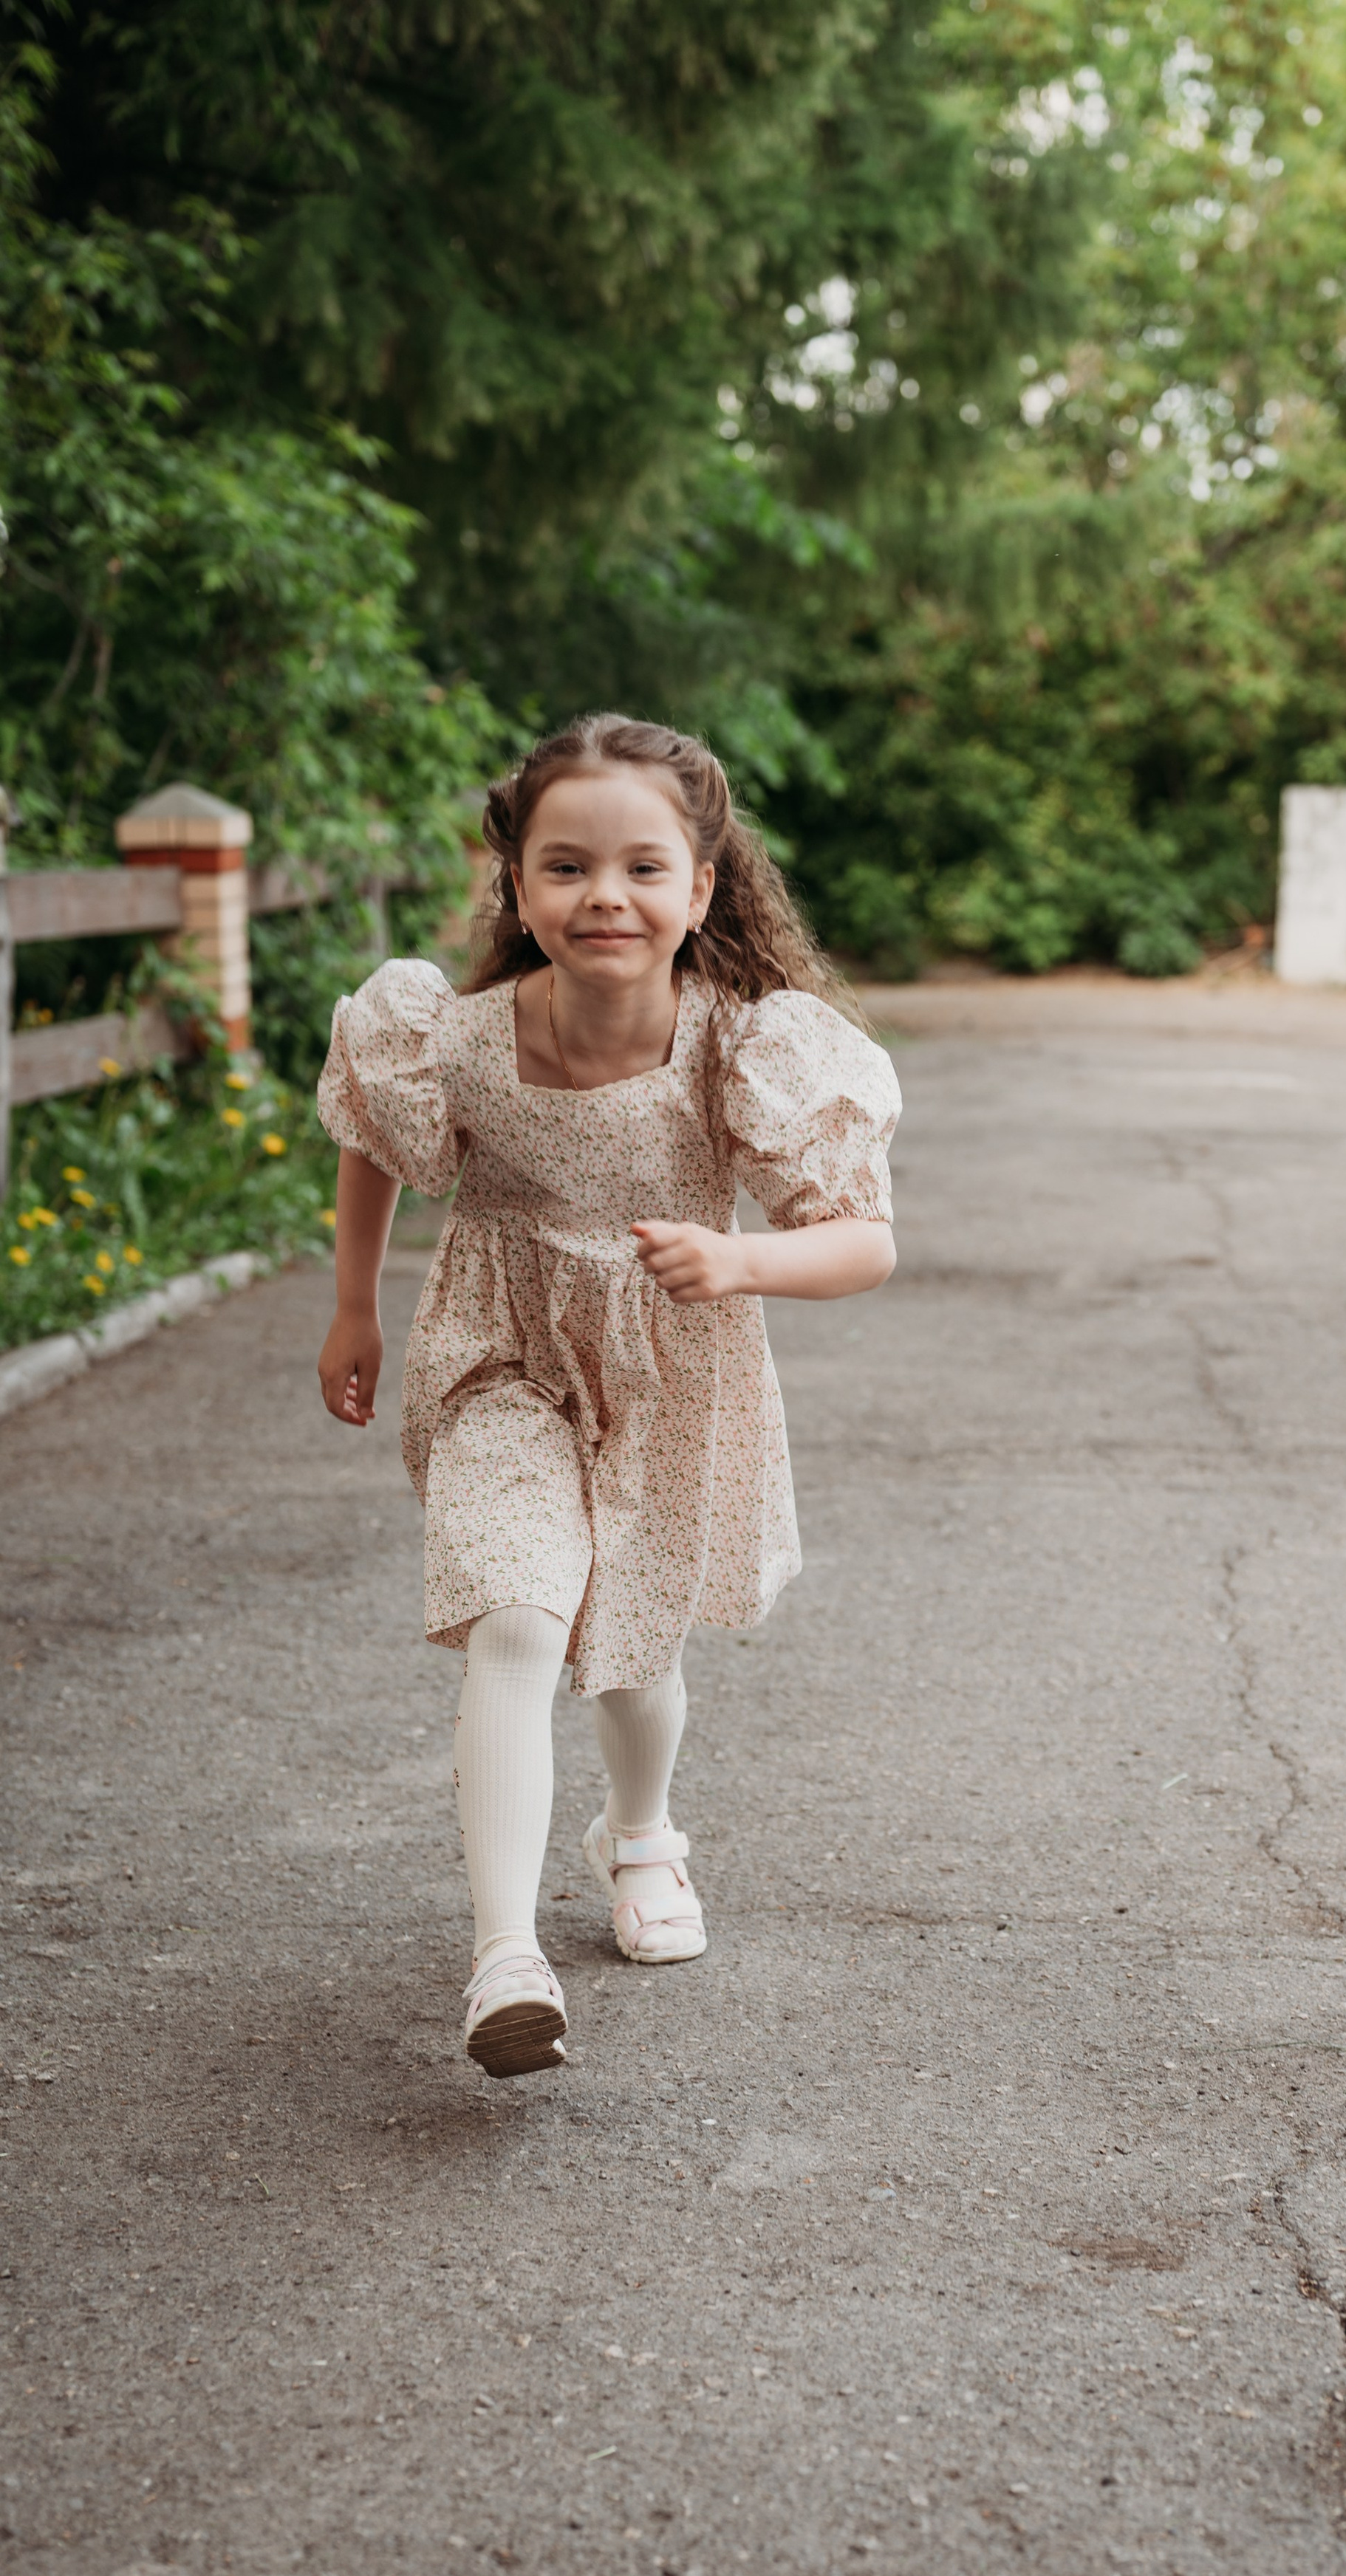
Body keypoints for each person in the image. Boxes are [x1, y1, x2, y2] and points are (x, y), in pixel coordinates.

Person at [314, 716, 899, 2078]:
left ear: (701, 890)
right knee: (517, 1619)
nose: (604, 897)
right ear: (517, 886)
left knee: (635, 1645)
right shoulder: (445, 1039)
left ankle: (643, 1837)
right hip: (498, 1359)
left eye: (644, 868)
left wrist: (744, 1256)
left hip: (672, 1374)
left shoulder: (742, 1048)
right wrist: (353, 1303)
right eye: (565, 866)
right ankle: (506, 1956)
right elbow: (373, 1146)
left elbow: (864, 1240)